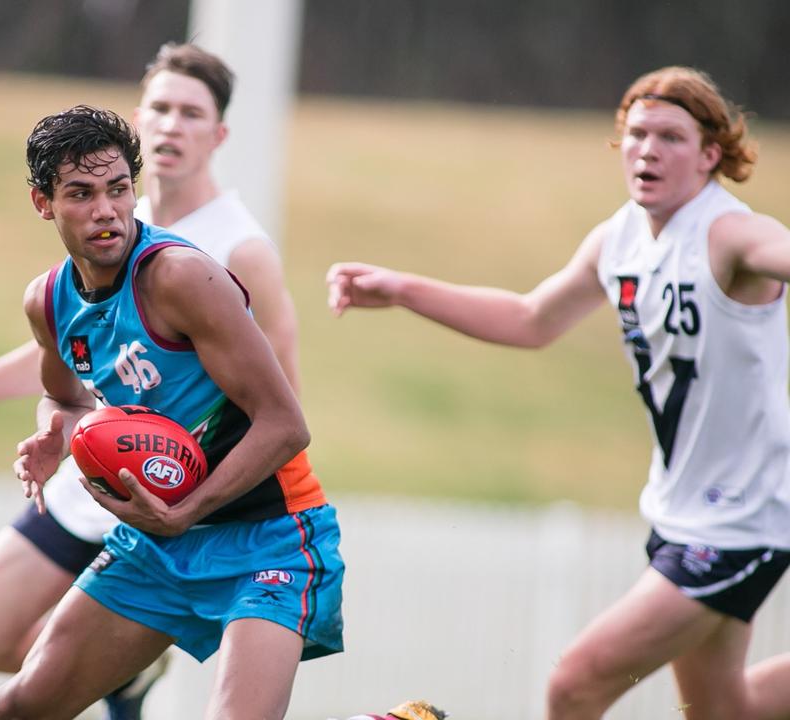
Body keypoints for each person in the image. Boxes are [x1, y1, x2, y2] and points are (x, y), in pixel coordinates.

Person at [327, 66, 790, 720]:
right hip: (678, 511)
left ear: (712, 154)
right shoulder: (620, 238)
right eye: (636, 134)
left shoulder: (729, 235)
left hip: (742, 520)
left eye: (671, 137)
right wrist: (403, 290)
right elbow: (531, 318)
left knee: (575, 685)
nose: (648, 150)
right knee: (724, 710)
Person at [0, 42, 299, 718]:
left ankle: (122, 669)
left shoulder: (226, 252)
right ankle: (119, 673)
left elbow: (279, 405)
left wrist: (194, 495)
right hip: (103, 478)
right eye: (159, 107)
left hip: (208, 497)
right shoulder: (93, 249)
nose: (170, 124)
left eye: (190, 112)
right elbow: (75, 357)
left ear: (218, 135)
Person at [0, 105, 343, 719]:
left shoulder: (179, 276)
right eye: (81, 194)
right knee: (11, 712)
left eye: (119, 189)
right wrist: (53, 435)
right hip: (154, 546)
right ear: (43, 202)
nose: (106, 211)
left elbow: (286, 423)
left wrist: (187, 510)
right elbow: (65, 397)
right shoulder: (48, 301)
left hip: (270, 540)